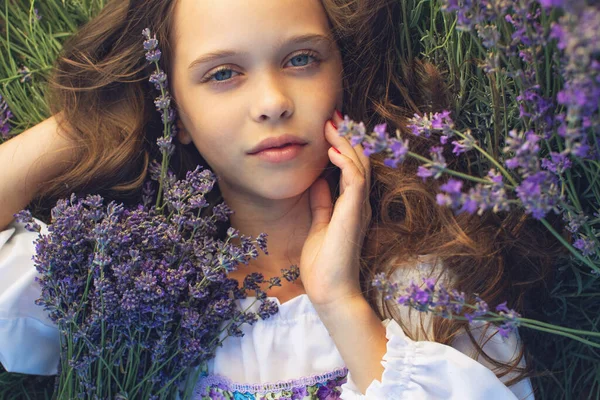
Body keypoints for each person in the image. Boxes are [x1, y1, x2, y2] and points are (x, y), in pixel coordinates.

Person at [0, 0, 553, 398]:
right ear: (174, 111)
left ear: (343, 73)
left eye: (300, 59)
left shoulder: (423, 283)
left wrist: (341, 303)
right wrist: (106, 112)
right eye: (222, 74)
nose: (271, 102)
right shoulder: (122, 276)